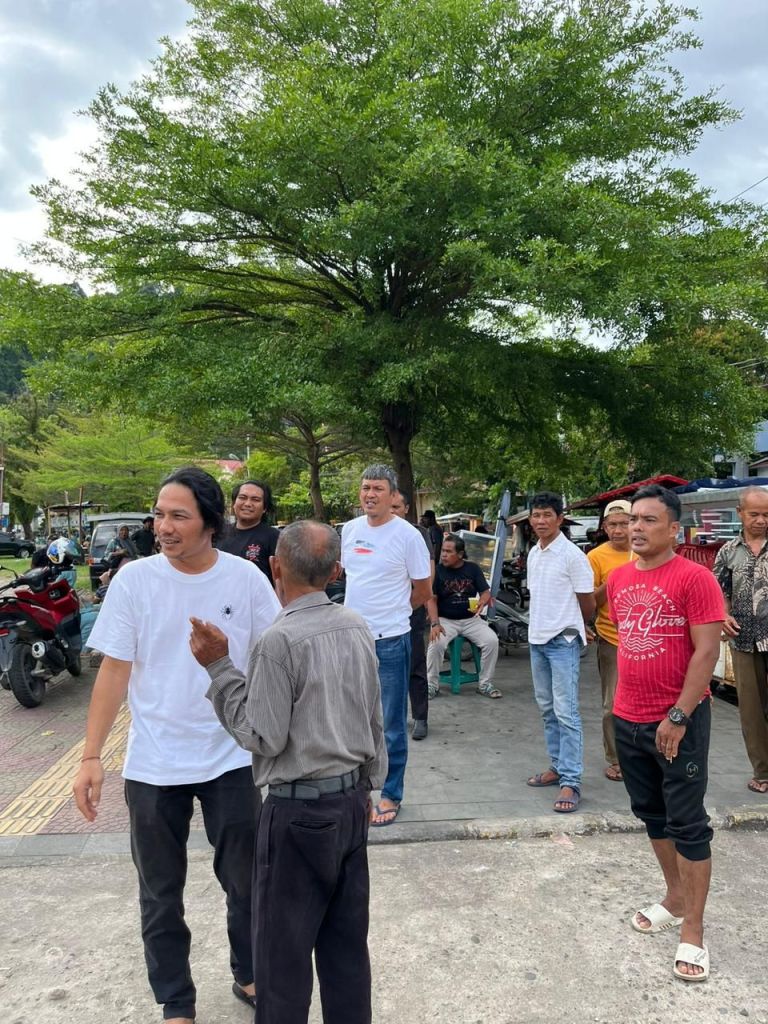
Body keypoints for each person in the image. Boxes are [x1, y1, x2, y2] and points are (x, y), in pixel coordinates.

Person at [72, 467, 281, 1024]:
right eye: (159, 515)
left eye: (178, 516)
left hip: (231, 756)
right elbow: (115, 670)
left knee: (247, 881)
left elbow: (275, 658)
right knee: (160, 892)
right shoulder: (134, 581)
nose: (163, 526)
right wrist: (91, 756)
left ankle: (250, 972)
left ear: (210, 522)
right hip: (154, 762)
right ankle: (176, 1002)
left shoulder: (246, 579)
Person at [190, 520, 386, 1024]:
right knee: (347, 949)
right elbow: (374, 716)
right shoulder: (356, 625)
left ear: (275, 567)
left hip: (298, 812)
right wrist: (370, 786)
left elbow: (263, 736)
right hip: (351, 804)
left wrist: (219, 667)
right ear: (336, 571)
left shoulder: (278, 641)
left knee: (281, 959)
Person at [608, 484, 723, 981]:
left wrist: (677, 716)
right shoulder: (618, 578)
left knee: (688, 823)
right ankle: (674, 898)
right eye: (633, 519)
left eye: (649, 520)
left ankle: (693, 929)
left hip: (679, 721)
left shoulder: (696, 579)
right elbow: (627, 641)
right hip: (628, 717)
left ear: (674, 529)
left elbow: (707, 652)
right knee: (651, 813)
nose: (636, 527)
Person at [341, 465, 431, 826]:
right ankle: (357, 790)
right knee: (353, 721)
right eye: (365, 488)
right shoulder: (349, 530)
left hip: (391, 641)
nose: (370, 494)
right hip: (352, 641)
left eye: (378, 488)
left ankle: (391, 793)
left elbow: (423, 590)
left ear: (393, 495)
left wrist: (395, 613)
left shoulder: (408, 536)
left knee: (391, 725)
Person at [526, 491, 596, 813]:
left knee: (566, 712)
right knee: (547, 708)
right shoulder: (534, 553)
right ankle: (556, 766)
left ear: (559, 518)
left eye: (547, 515)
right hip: (537, 640)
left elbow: (587, 603)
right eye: (536, 515)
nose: (541, 521)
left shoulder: (572, 556)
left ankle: (571, 780)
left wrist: (578, 628)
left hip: (563, 642)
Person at [713, 486, 768, 794]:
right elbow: (719, 590)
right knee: (751, 709)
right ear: (740, 513)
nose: (761, 520)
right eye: (754, 514)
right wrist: (723, 614)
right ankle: (763, 772)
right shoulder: (728, 551)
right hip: (744, 640)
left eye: (767, 515)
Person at [587, 499, 634, 782]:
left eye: (624, 524)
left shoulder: (645, 551)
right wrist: (614, 580)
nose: (618, 530)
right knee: (613, 703)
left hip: (647, 639)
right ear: (604, 527)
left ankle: (645, 755)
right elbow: (590, 602)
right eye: (612, 525)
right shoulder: (596, 557)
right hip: (612, 638)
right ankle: (616, 758)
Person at [426, 533, 501, 699]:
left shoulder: (472, 569)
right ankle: (431, 685)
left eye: (448, 551)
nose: (443, 555)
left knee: (492, 641)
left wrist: (482, 601)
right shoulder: (437, 571)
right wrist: (435, 623)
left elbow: (485, 592)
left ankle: (485, 684)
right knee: (436, 643)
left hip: (471, 620)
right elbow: (431, 599)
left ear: (460, 554)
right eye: (443, 551)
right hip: (446, 620)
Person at [391, 488, 434, 740]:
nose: (392, 511)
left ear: (406, 509)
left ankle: (420, 717)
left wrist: (414, 605)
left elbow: (428, 573)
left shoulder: (417, 534)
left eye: (397, 507)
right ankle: (392, 718)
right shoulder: (373, 532)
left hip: (411, 609)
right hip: (383, 615)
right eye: (390, 506)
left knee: (415, 664)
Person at [217, 478, 280, 585]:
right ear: (234, 503)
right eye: (242, 497)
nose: (247, 503)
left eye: (255, 499)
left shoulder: (274, 537)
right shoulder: (218, 533)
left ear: (264, 508)